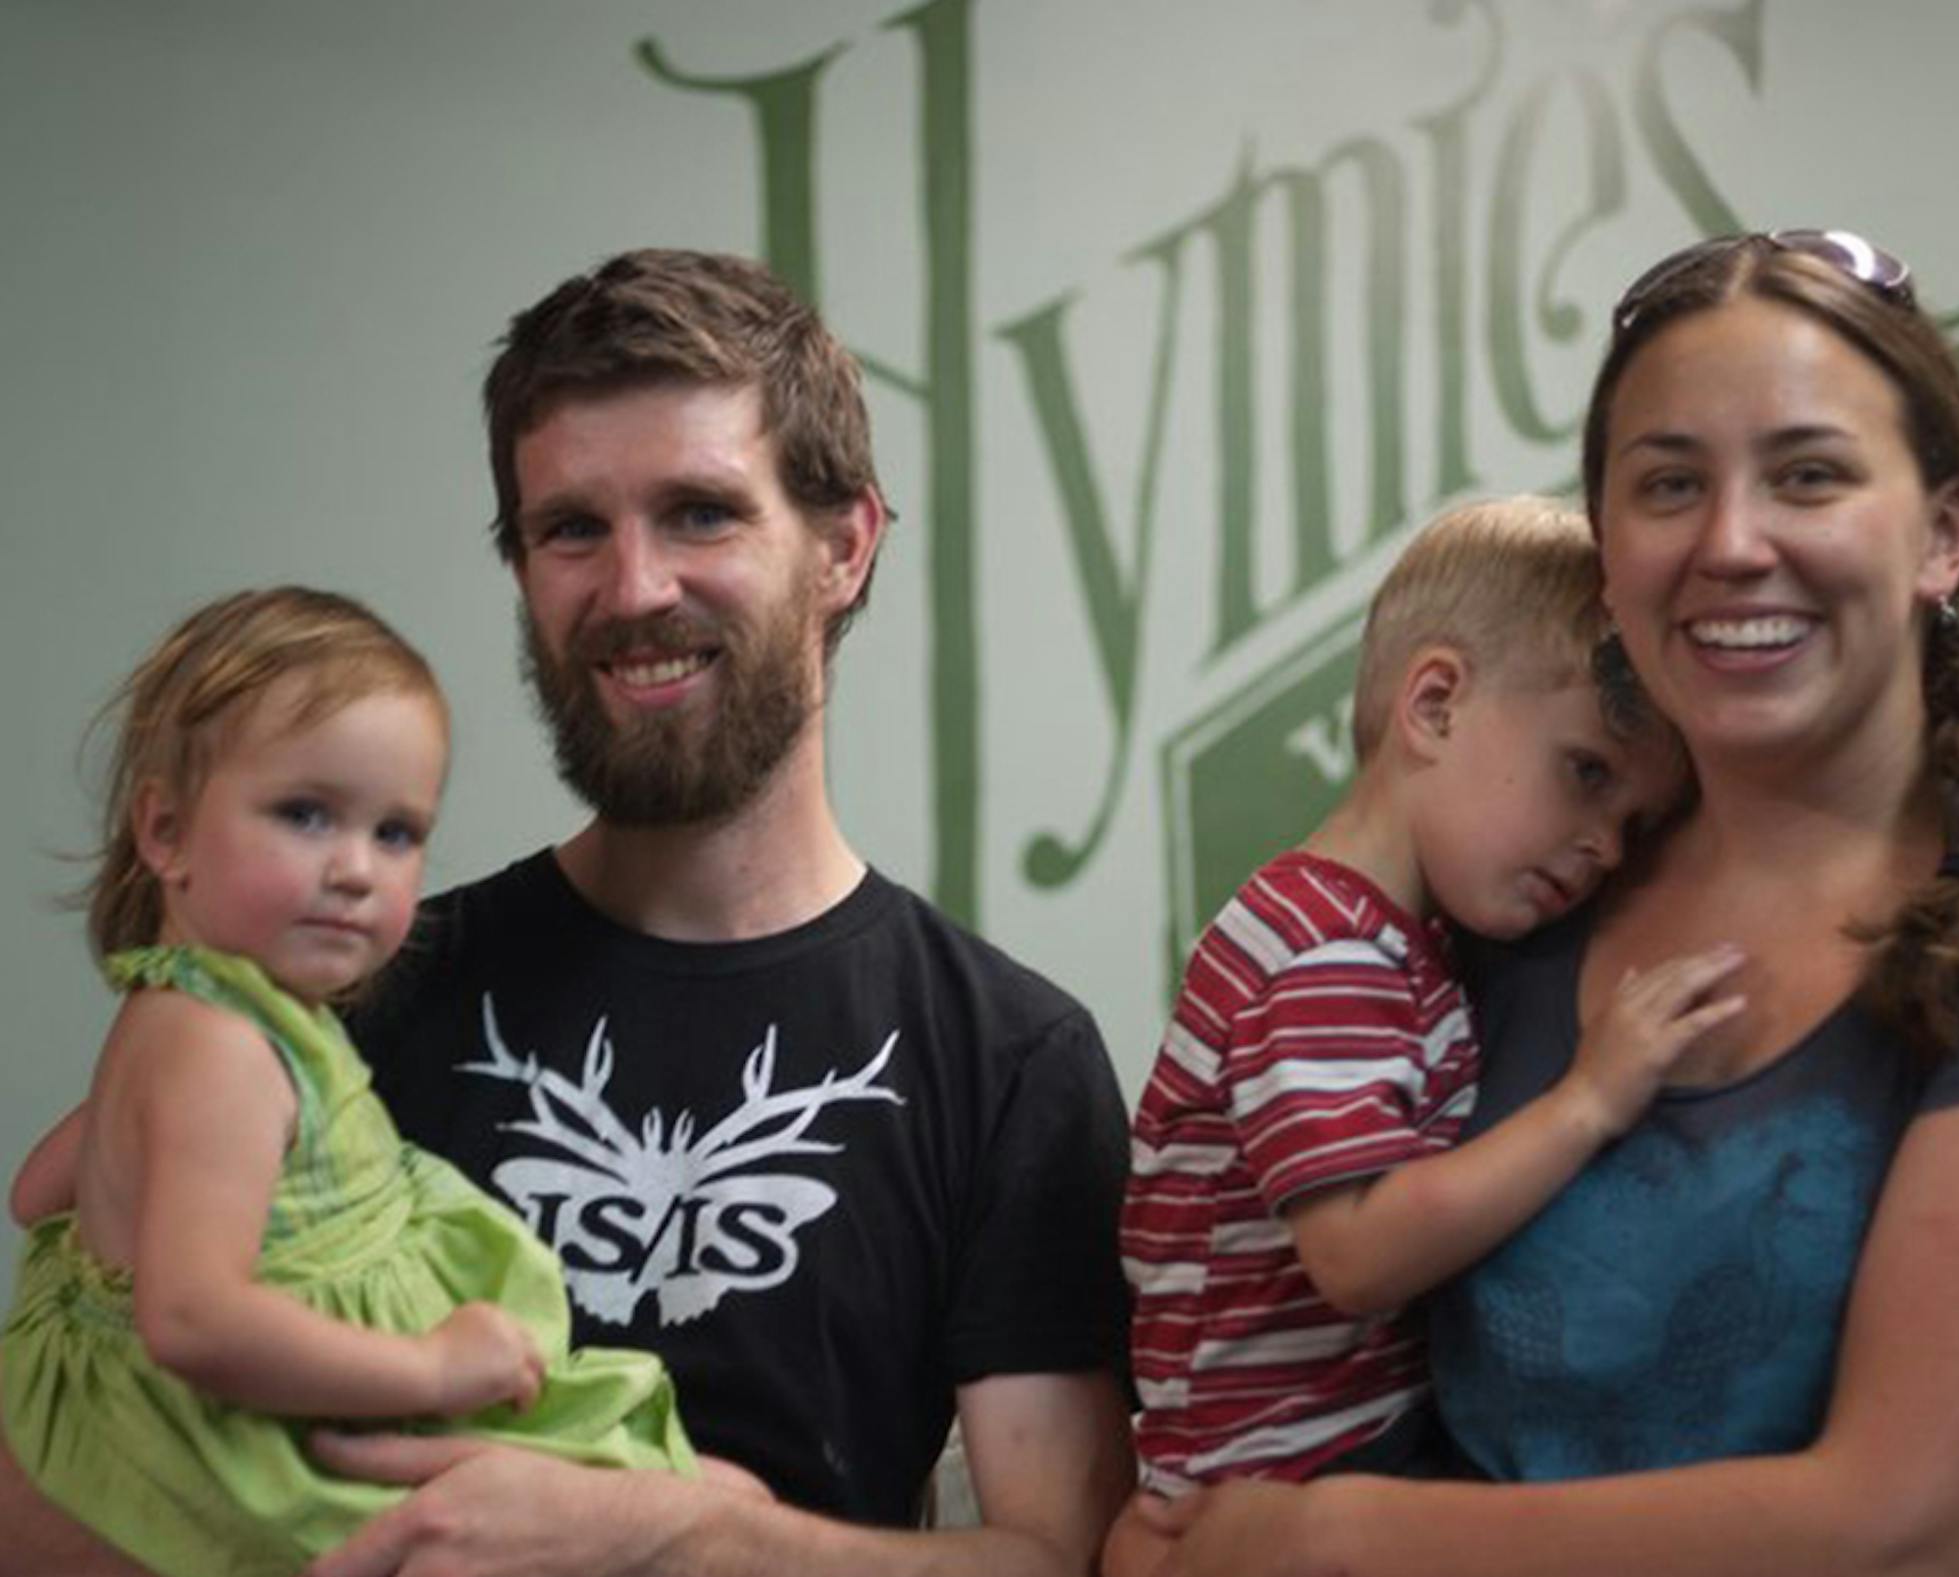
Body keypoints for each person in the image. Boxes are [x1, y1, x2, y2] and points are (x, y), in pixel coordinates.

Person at [0, 250, 1134, 1576]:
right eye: (572, 529)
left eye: (700, 513)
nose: (634, 587)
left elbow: (1057, 1560)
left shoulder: (1008, 1058)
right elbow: (66, 1440)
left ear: (843, 546)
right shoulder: (337, 988)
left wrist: (688, 1535)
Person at [1116, 229, 1959, 1577]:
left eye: (1809, 474)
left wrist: (1336, 1536)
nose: (1731, 542)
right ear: (1608, 551)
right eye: (1670, 483)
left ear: (1943, 534)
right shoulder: (1515, 909)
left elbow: (1909, 1533)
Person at [2, 587, 699, 1577]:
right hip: (245, 1446)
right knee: (651, 1500)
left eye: (396, 832)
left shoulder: (188, 1009)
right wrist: (431, 1365)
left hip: (260, 1401)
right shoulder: (223, 1051)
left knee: (670, 1497)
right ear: (165, 831)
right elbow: (191, 1320)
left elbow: (37, 1192)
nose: (358, 869)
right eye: (306, 814)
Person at [1122, 498, 1743, 1497]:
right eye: (1587, 772)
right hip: (1275, 1475)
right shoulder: (1325, 950)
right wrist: (1589, 1100)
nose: (1607, 846)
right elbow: (1357, 1252)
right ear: (1436, 704)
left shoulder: (1393, 940)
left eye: (1634, 821)